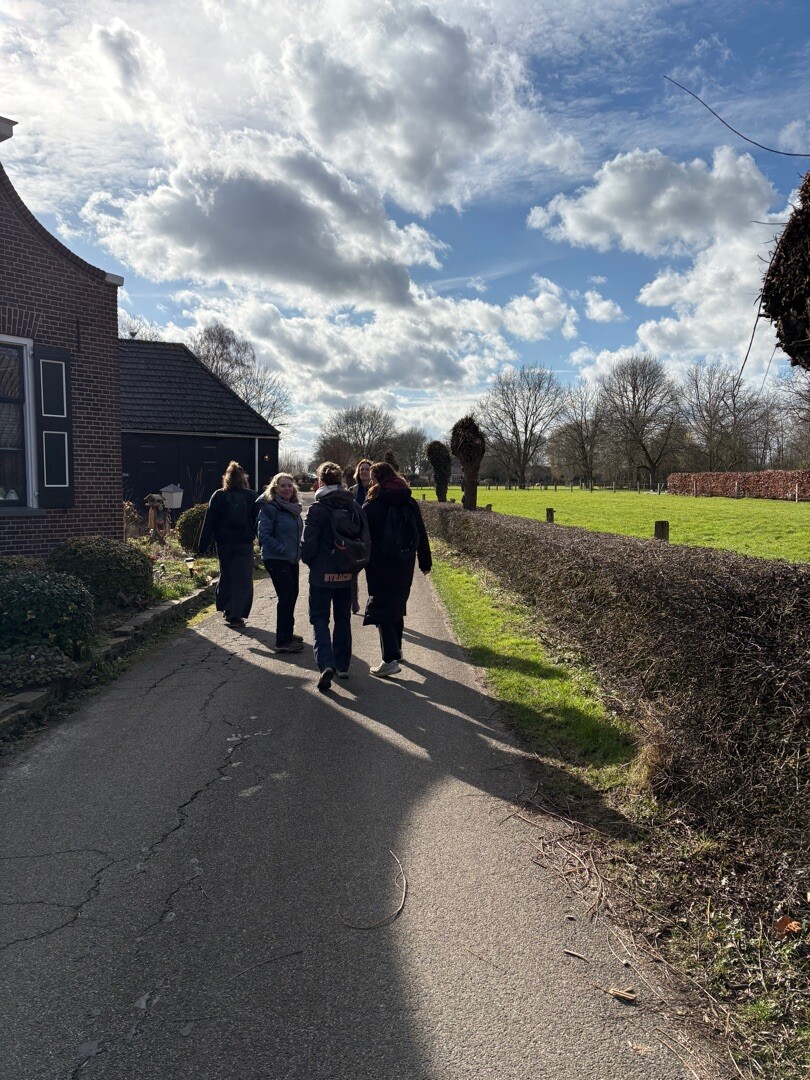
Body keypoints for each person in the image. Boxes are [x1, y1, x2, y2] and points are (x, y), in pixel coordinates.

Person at [362, 460, 431, 677]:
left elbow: (363, 537)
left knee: (382, 608)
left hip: (380, 564)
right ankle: (397, 650)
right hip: (404, 562)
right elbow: (421, 532)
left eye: (372, 479)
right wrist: (425, 562)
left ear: (377, 480)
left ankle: (389, 659)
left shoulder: (372, 504)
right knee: (397, 605)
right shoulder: (409, 501)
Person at [300, 461, 363, 691]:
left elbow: (308, 544)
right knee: (343, 618)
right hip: (346, 571)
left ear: (321, 482)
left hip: (321, 574)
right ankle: (343, 665)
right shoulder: (353, 507)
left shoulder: (317, 509)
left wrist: (311, 562)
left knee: (319, 619)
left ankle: (326, 663)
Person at [198, 460, 259, 628]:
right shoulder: (252, 496)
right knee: (243, 578)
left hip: (224, 543)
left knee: (227, 574)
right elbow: (259, 522)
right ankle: (236, 615)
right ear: (244, 478)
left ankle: (226, 607)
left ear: (226, 477)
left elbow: (209, 522)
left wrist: (202, 546)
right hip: (244, 542)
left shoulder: (218, 496)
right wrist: (261, 542)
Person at [257, 472, 304, 653]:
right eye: (282, 486)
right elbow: (264, 535)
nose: (286, 489)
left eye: (289, 486)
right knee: (286, 596)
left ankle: (287, 633)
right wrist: (282, 548)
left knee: (292, 595)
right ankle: (283, 641)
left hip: (291, 558)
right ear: (275, 488)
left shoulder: (293, 508)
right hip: (276, 559)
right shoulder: (270, 507)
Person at [349, 459, 372, 614]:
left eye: (367, 469)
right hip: (355, 537)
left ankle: (373, 604)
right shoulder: (352, 491)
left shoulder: (377, 489)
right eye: (361, 468)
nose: (364, 471)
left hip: (372, 536)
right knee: (353, 573)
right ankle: (354, 600)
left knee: (373, 573)